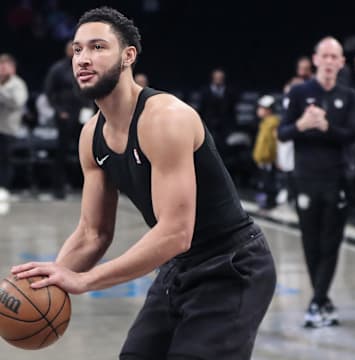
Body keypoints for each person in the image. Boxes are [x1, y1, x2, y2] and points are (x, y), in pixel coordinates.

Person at [11, 7, 276, 360]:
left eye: (97, 47)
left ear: (128, 56)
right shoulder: (91, 136)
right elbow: (94, 232)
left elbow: (175, 232)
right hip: (178, 268)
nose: (83, 59)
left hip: (231, 264)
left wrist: (86, 280)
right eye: (77, 50)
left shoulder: (166, 118)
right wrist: (55, 277)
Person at [278, 36, 355, 328]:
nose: (328, 61)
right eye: (323, 56)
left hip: (336, 177)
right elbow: (283, 133)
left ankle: (317, 302)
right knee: (310, 241)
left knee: (331, 241)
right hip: (305, 177)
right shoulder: (300, 93)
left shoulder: (348, 96)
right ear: (315, 60)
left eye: (333, 57)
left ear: (340, 62)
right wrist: (302, 124)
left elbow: (351, 135)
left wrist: (326, 126)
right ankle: (321, 300)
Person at [44, 40, 93, 199]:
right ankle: (58, 188)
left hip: (82, 114)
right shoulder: (58, 69)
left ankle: (85, 187)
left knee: (86, 151)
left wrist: (89, 107)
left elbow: (91, 87)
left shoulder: (85, 66)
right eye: (72, 49)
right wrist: (59, 111)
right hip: (65, 115)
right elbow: (50, 92)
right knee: (62, 152)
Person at [0, 53, 29, 201]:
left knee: (5, 160)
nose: (2, 69)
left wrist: (2, 93)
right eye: (1, 65)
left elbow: (18, 103)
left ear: (12, 68)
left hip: (8, 128)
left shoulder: (18, 84)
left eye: (5, 66)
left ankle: (4, 188)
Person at [198, 68, 236, 156]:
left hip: (225, 125)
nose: (218, 79)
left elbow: (232, 111)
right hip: (209, 124)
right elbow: (202, 108)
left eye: (220, 78)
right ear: (212, 78)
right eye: (217, 77)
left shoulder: (230, 92)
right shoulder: (205, 91)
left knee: (224, 149)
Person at [252, 95, 280, 209]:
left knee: (269, 182)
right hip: (263, 159)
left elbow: (274, 143)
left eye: (261, 108)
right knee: (264, 181)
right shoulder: (264, 123)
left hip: (269, 160)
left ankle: (270, 203)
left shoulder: (273, 123)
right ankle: (266, 203)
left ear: (268, 110)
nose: (259, 110)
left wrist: (275, 158)